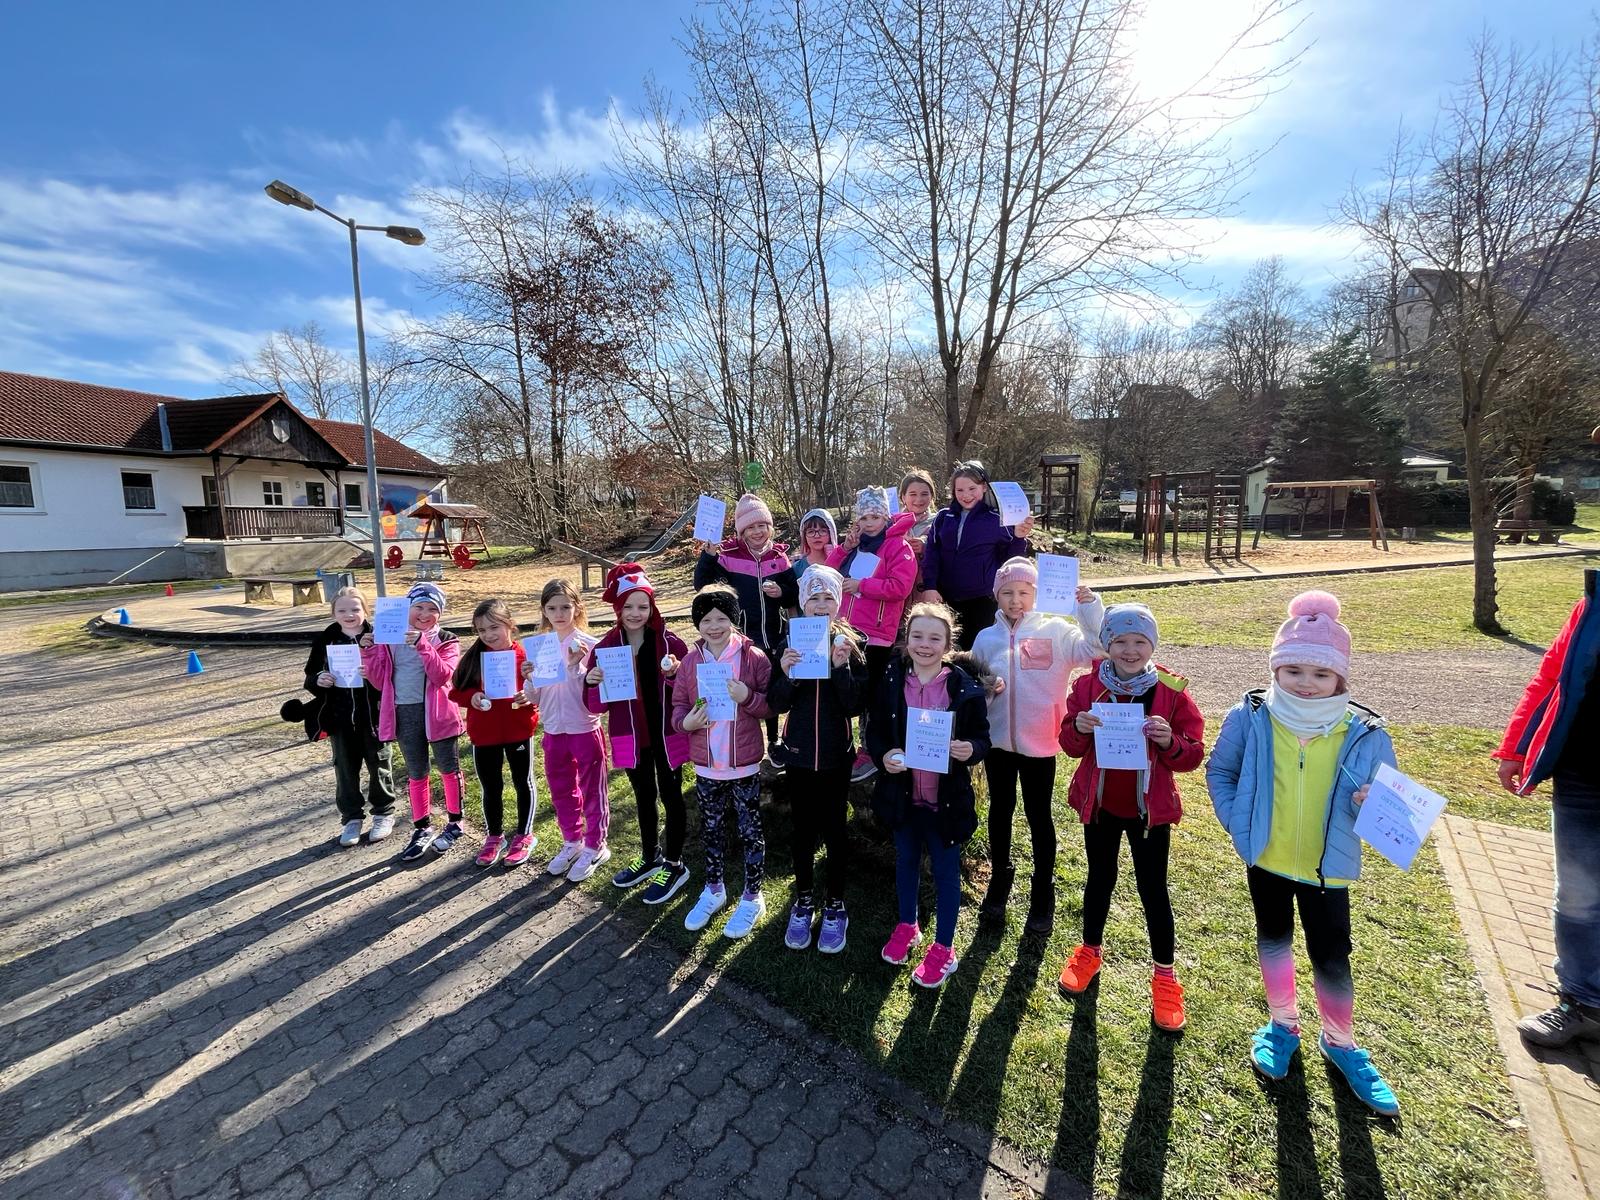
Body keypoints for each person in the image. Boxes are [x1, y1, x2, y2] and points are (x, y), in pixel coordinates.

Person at [1207, 591, 1401, 1116]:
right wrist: (1239, 823)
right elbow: (1221, 771)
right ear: (1275, 668)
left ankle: (1340, 1042)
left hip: (1327, 870)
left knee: (1332, 956)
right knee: (1274, 941)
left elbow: (1393, 809)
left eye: (1321, 673)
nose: (1305, 683)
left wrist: (1373, 803)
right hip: (1267, 861)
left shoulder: (1364, 734)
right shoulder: (1250, 717)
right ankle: (1282, 1024)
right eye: (1292, 670)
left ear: (1341, 678)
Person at [1057, 604, 1204, 1033]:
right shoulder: (1088, 686)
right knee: (1099, 879)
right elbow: (1069, 744)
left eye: (1140, 641)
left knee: (1153, 889)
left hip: (1148, 813)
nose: (1129, 650)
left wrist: (1170, 741)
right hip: (1101, 806)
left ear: (1152, 645)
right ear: (1107, 644)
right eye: (1119, 641)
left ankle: (1165, 977)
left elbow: (1192, 754)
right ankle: (1089, 951)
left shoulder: (1171, 690)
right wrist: (1079, 728)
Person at [1494, 573, 1600, 1048]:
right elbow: (1553, 675)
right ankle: (1583, 1002)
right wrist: (1516, 747)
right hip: (1582, 773)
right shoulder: (1593, 604)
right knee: (1578, 896)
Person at [972, 557, 1104, 933]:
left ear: (1038, 594)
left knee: (1039, 816)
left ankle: (1042, 891)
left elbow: (1097, 647)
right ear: (996, 596)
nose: (1016, 601)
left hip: (1041, 744)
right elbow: (973, 683)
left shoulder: (1057, 631)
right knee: (1000, 811)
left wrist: (1088, 607)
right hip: (998, 743)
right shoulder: (986, 638)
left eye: (1024, 592)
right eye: (1007, 593)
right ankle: (1000, 879)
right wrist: (985, 688)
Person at [868, 602, 993, 989]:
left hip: (946, 803)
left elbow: (982, 738)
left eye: (934, 638)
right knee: (905, 862)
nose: (925, 644)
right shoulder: (892, 680)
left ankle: (944, 947)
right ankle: (908, 925)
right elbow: (875, 732)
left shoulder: (963, 688)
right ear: (906, 639)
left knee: (945, 873)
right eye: (917, 636)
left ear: (948, 644)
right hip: (903, 798)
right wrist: (884, 755)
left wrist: (970, 749)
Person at [768, 566, 868, 953]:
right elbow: (776, 703)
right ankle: (804, 898)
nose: (821, 605)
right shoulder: (788, 643)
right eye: (814, 598)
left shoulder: (851, 643)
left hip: (835, 756)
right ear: (803, 603)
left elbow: (855, 705)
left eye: (829, 598)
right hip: (797, 755)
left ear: (838, 603)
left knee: (835, 830)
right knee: (803, 830)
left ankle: (835, 903)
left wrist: (841, 668)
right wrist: (788, 674)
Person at [583, 563, 693, 905]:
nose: (635, 613)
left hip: (667, 736)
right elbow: (595, 706)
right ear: (618, 609)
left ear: (652, 607)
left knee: (671, 796)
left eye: (642, 606)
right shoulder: (605, 648)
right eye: (628, 606)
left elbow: (691, 692)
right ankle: (650, 856)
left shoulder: (671, 644)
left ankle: (674, 864)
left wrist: (676, 676)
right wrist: (592, 683)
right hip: (631, 738)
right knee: (644, 796)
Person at [672, 585, 774, 939]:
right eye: (705, 620)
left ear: (733, 619)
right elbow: (679, 705)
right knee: (711, 829)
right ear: (697, 624)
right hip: (706, 765)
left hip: (743, 763)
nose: (713, 626)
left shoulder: (753, 657)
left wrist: (747, 697)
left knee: (750, 831)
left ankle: (753, 895)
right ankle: (714, 888)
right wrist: (685, 724)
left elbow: (769, 705)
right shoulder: (691, 661)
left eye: (720, 619)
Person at [360, 582, 467, 862]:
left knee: (448, 769)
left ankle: (456, 823)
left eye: (433, 609)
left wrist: (422, 645)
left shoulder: (447, 639)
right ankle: (422, 827)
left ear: (440, 613)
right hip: (404, 712)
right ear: (407, 608)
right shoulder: (389, 637)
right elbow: (379, 681)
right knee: (417, 773)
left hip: (439, 715)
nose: (425, 614)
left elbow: (442, 676)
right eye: (419, 607)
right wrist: (368, 651)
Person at [694, 493, 800, 765]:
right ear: (741, 532)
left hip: (774, 637)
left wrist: (781, 592)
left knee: (771, 690)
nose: (757, 532)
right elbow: (703, 586)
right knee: (745, 690)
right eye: (750, 527)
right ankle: (741, 740)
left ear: (769, 527)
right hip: (742, 639)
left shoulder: (780, 558)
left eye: (761, 525)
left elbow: (794, 595)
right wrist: (708, 555)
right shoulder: (728, 557)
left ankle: (774, 740)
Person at [828, 486, 919, 783]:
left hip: (878, 634)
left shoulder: (898, 547)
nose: (869, 523)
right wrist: (844, 548)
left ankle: (869, 752)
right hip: (846, 630)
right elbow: (827, 576)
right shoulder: (856, 545)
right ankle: (843, 744)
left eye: (875, 517)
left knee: (871, 696)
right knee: (844, 690)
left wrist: (862, 586)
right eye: (864, 517)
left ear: (886, 517)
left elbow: (900, 587)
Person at [520, 579, 609, 883]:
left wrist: (575, 666)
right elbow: (536, 697)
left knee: (592, 789)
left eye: (565, 607)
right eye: (552, 608)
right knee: (561, 789)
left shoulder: (590, 645)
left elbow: (594, 693)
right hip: (554, 730)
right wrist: (529, 679)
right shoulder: (540, 647)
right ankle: (572, 840)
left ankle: (596, 845)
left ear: (577, 608)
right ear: (544, 611)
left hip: (584, 728)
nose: (559, 614)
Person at [447, 599, 540, 869]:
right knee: (491, 787)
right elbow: (455, 691)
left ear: (510, 625)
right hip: (484, 735)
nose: (488, 635)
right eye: (481, 630)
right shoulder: (474, 658)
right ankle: (494, 836)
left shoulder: (526, 657)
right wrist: (472, 697)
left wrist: (529, 696)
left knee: (523, 782)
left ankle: (524, 835)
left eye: (494, 627)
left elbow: (542, 690)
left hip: (519, 731)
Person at [299, 586, 395, 847]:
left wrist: (373, 672)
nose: (349, 614)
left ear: (365, 610)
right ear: (333, 613)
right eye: (342, 610)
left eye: (355, 608)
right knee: (345, 769)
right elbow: (310, 676)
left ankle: (383, 813)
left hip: (373, 716)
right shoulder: (325, 640)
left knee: (379, 764)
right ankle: (352, 818)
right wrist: (319, 679)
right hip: (339, 718)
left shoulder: (379, 637)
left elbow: (391, 672)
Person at [920, 461, 1035, 650]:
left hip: (982, 601)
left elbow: (1010, 561)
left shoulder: (997, 519)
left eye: (972, 489)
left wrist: (1019, 537)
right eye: (960, 490)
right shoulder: (943, 517)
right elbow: (932, 554)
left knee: (976, 653)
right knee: (945, 650)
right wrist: (930, 586)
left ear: (984, 487)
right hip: (944, 598)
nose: (966, 495)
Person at [792, 507, 839, 578]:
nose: (817, 536)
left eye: (822, 531)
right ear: (804, 536)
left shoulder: (842, 562)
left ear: (830, 534)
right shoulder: (797, 568)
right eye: (811, 532)